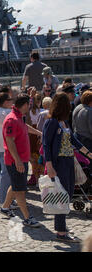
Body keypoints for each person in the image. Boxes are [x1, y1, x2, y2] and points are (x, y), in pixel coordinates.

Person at [43, 92, 92, 243]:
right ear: (63, 107)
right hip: (59, 163)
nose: (71, 108)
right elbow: (46, 145)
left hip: (69, 161)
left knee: (69, 193)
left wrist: (89, 153)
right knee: (62, 196)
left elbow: (74, 140)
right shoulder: (51, 122)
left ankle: (61, 226)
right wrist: (49, 165)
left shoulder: (64, 123)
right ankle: (61, 232)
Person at [0, 94, 42, 228]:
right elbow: (9, 141)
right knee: (20, 190)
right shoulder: (11, 119)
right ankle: (27, 217)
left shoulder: (19, 117)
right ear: (24, 105)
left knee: (16, 184)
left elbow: (25, 127)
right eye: (29, 104)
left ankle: (5, 207)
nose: (30, 107)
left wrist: (39, 133)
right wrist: (17, 160)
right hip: (15, 161)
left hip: (21, 159)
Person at [0, 92, 17, 209]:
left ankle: (8, 199)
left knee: (7, 174)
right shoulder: (5, 112)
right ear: (5, 102)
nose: (12, 102)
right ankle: (3, 202)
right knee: (6, 174)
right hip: (6, 146)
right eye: (10, 100)